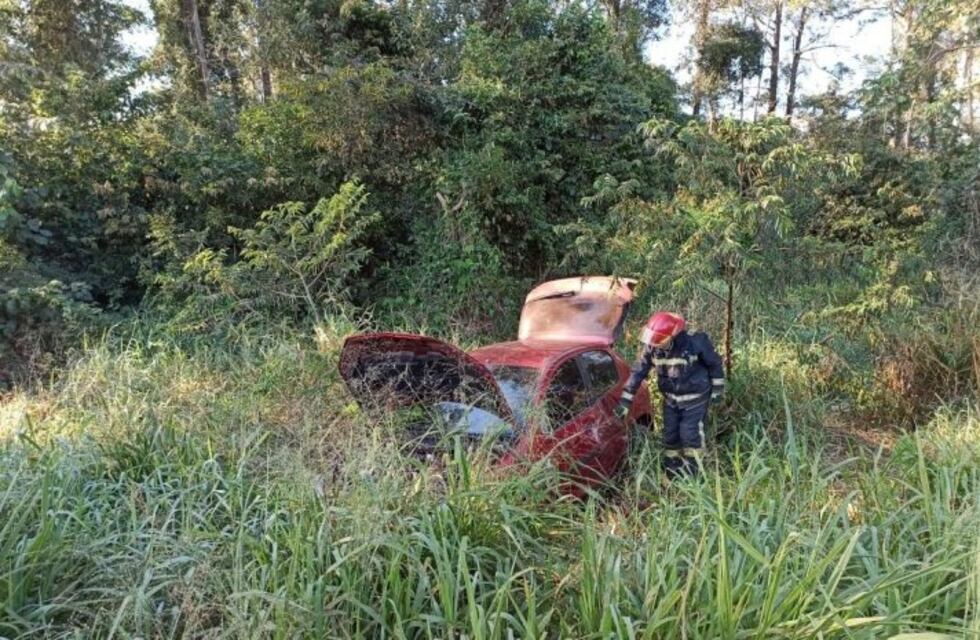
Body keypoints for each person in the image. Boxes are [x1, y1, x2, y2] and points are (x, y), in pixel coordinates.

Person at [614, 312, 725, 477]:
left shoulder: (695, 342)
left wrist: (717, 389)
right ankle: (672, 472)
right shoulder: (653, 346)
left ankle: (694, 474)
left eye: (660, 340)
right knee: (670, 435)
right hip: (671, 400)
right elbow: (638, 372)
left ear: (673, 335)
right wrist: (625, 400)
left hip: (695, 400)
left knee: (690, 434)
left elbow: (714, 364)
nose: (656, 344)